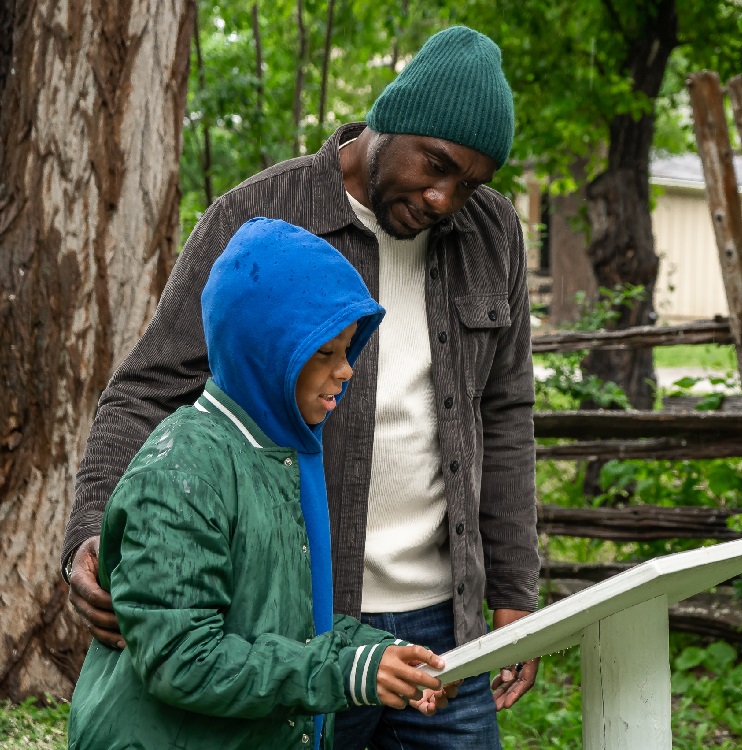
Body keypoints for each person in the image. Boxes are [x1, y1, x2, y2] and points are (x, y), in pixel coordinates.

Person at [64, 25, 540, 748]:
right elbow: (146, 391)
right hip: (299, 619)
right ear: (388, 121)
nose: (446, 199)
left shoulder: (492, 233)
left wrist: (513, 590)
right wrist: (91, 533)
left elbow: (504, 415)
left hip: (447, 625)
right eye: (436, 166)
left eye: (470, 183)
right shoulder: (257, 216)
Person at [67, 218, 453, 750]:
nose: (346, 371)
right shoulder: (181, 475)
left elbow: (292, 627)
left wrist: (381, 654)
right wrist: (342, 672)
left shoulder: (278, 459)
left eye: (347, 350)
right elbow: (182, 659)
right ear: (265, 350)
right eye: (324, 353)